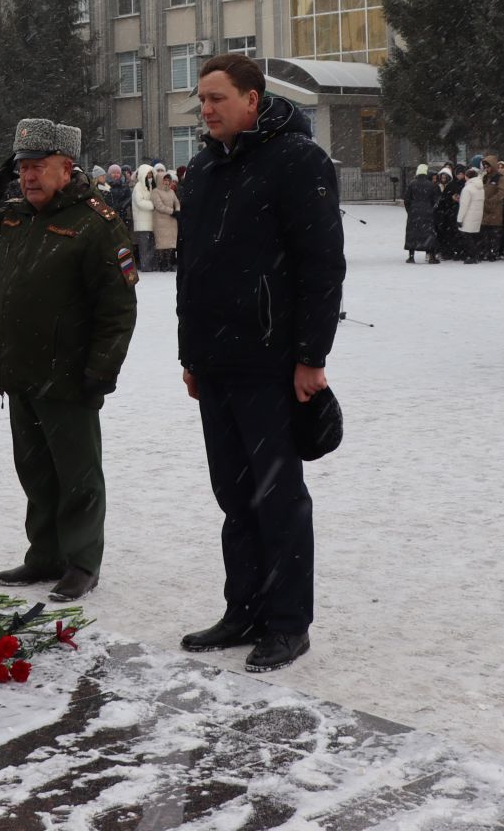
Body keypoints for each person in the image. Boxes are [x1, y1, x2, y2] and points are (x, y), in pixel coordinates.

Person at [175, 55, 343, 674]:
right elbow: (191, 270)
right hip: (215, 362)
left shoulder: (298, 160)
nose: (207, 109)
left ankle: (287, 623)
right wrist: (190, 354)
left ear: (253, 98)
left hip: (272, 363)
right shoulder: (201, 170)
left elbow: (321, 266)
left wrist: (311, 358)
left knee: (278, 498)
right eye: (202, 99)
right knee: (234, 495)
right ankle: (241, 609)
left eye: (217, 97)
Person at [0, 118, 138, 605]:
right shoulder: (13, 216)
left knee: (77, 474)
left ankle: (81, 562)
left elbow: (117, 308)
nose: (29, 177)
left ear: (67, 168)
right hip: (19, 369)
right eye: (23, 168)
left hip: (70, 374)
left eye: (39, 167)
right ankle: (45, 555)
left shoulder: (96, 223)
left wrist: (102, 371)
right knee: (35, 471)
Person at [403, 164, 439, 263]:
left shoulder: (411, 184)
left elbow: (406, 200)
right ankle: (432, 256)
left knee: (412, 234)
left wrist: (410, 211)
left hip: (414, 213)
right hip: (427, 213)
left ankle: (411, 256)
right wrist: (431, 209)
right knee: (429, 234)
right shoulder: (431, 185)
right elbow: (436, 200)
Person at [150, 167, 181, 271]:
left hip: (171, 221)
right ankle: (162, 264)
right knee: (162, 244)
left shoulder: (172, 192)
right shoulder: (155, 192)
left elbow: (177, 202)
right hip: (160, 221)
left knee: (170, 244)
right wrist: (172, 211)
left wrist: (177, 210)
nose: (167, 182)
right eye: (165, 180)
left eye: (168, 180)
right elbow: (159, 206)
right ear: (159, 180)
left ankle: (169, 263)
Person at [131, 165, 158, 272]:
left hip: (152, 220)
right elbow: (139, 202)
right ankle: (145, 266)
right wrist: (153, 205)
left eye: (151, 174)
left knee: (152, 244)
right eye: (148, 174)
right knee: (144, 246)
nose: (150, 176)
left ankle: (149, 264)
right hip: (142, 221)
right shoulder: (138, 186)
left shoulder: (152, 185)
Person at [480, 158, 504, 260]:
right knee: (485, 233)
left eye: (488, 166)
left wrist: (491, 200)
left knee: (494, 233)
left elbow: (502, 192)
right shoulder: (484, 177)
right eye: (485, 167)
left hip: (495, 208)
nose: (487, 168)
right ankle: (486, 252)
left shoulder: (499, 178)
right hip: (484, 208)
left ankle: (493, 252)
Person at [457, 167, 486, 263]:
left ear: (466, 176)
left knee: (467, 237)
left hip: (468, 216)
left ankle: (471, 256)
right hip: (477, 215)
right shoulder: (480, 187)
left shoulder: (467, 189)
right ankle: (477, 255)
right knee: (475, 236)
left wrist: (459, 219)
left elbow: (464, 205)